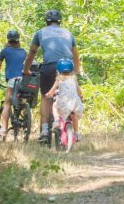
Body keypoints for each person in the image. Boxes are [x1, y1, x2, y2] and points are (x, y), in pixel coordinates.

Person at [22, 9, 81, 144]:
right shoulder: (68, 33)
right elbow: (76, 56)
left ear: (46, 21)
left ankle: (44, 130)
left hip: (49, 67)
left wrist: (26, 69)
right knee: (71, 93)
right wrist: (76, 71)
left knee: (45, 96)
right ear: (60, 21)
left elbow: (32, 53)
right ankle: (74, 131)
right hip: (68, 67)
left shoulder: (40, 33)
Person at [0, 28, 29, 138]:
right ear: (18, 40)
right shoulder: (24, 52)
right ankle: (25, 120)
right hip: (24, 80)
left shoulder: (5, 51)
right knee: (20, 101)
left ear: (8, 40)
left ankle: (4, 129)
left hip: (12, 80)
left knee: (7, 103)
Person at [51, 57, 83, 143]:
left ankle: (57, 121)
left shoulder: (59, 79)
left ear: (58, 69)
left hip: (63, 103)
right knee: (74, 115)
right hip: (74, 104)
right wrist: (80, 97)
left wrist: (48, 95)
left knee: (54, 105)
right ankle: (76, 133)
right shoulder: (74, 78)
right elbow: (79, 91)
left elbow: (52, 91)